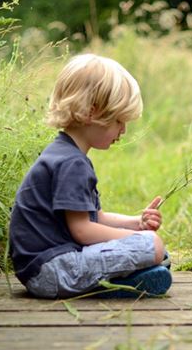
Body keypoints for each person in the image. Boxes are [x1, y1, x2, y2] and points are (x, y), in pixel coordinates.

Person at [9, 54, 172, 299]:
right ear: (90, 113)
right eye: (119, 120)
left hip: (44, 269)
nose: (123, 130)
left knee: (155, 249)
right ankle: (117, 284)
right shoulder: (72, 163)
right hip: (52, 271)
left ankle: (129, 279)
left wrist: (135, 223)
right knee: (152, 246)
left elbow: (95, 217)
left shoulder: (65, 154)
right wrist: (141, 238)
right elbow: (83, 231)